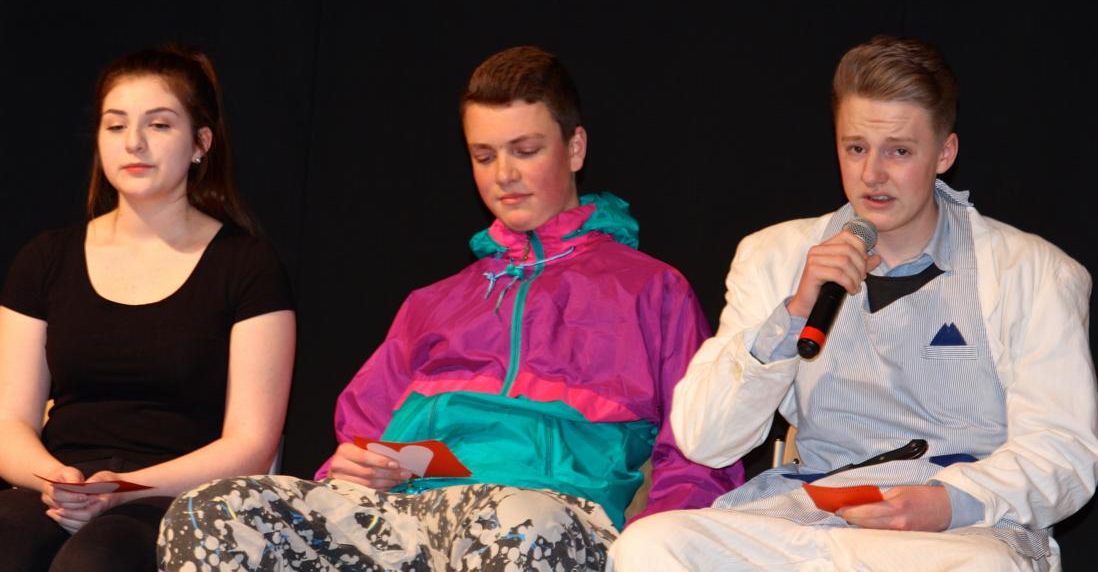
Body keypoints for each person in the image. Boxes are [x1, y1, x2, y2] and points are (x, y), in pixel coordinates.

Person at [157, 45, 742, 571]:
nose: (504, 175)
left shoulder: (651, 290)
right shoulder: (434, 303)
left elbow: (702, 451)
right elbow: (360, 440)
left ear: (575, 148)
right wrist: (353, 466)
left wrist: (653, 551)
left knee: (516, 522)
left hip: (544, 516)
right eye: (484, 156)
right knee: (211, 511)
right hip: (406, 517)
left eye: (526, 150)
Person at [608, 35, 1098, 571]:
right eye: (856, 149)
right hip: (813, 519)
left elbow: (1065, 452)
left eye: (899, 151)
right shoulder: (775, 255)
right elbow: (705, 439)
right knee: (651, 545)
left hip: (955, 533)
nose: (872, 175)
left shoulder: (1032, 272)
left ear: (944, 153)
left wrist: (948, 502)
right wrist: (793, 313)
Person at [0, 45, 297, 572]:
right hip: (62, 488)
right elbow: (10, 422)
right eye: (116, 126)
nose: (133, 142)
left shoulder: (247, 265)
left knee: (95, 561)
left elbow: (251, 444)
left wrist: (124, 490)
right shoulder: (45, 258)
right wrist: (55, 480)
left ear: (201, 143)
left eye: (159, 125)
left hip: (177, 496)